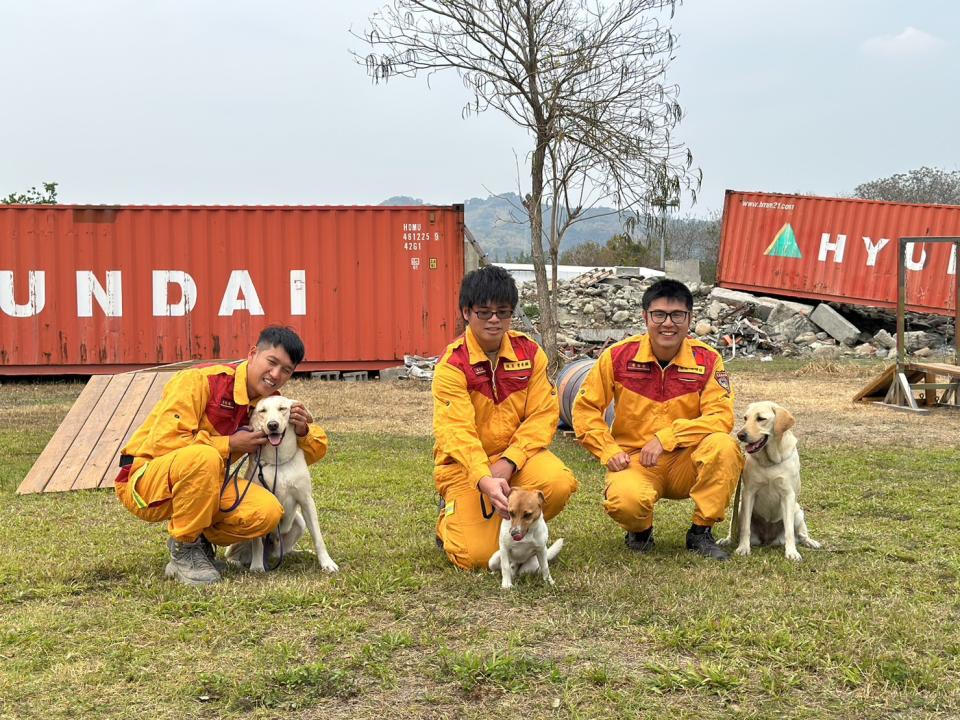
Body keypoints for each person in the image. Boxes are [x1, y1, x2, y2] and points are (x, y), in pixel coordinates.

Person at [114, 325, 328, 585]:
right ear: (252, 354)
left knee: (267, 512)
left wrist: (303, 430)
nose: (275, 374)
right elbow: (168, 443)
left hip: (204, 483)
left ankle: (201, 539)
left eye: (286, 370)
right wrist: (231, 443)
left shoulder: (266, 405)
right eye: (272, 362)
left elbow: (309, 452)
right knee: (205, 457)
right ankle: (185, 547)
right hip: (145, 480)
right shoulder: (199, 380)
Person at [572, 279, 743, 560]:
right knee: (625, 501)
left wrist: (667, 438)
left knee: (724, 447)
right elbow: (585, 409)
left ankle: (701, 532)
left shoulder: (708, 360)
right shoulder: (617, 357)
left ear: (690, 319)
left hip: (686, 460)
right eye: (659, 315)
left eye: (677, 315)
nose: (668, 323)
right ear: (645, 317)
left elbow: (721, 417)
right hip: (635, 460)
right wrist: (608, 450)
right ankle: (639, 530)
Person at [432, 265, 578, 570]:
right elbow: (455, 430)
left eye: (503, 311)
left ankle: (516, 528)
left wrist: (509, 461)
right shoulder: (452, 364)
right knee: (476, 558)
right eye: (484, 312)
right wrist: (485, 477)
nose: (495, 319)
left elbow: (543, 415)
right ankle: (449, 519)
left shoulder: (531, 353)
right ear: (466, 312)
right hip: (465, 467)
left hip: (516, 460)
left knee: (559, 483)